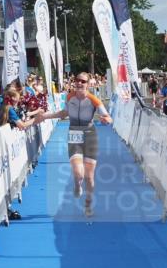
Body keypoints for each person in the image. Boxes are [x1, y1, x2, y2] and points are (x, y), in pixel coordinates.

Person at [35, 72, 112, 218]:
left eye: (83, 81)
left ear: (88, 84)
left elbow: (108, 117)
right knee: (78, 173)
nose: (79, 83)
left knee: (89, 177)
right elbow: (64, 113)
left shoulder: (93, 99)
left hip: (90, 135)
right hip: (74, 134)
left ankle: (88, 204)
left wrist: (106, 120)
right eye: (77, 80)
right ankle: (77, 184)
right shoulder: (70, 97)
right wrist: (46, 116)